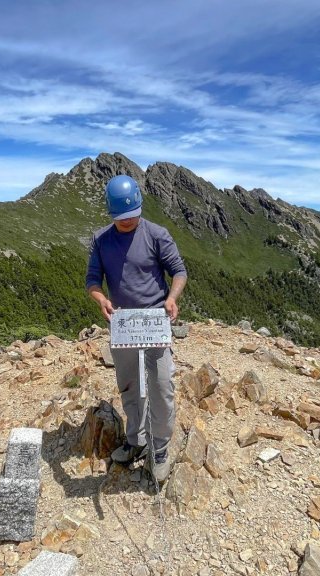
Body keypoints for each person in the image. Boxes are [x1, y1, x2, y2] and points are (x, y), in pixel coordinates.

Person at [85, 175, 187, 482]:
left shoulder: (157, 234)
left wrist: (171, 298)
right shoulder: (101, 239)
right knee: (129, 385)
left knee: (161, 385)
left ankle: (160, 448)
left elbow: (179, 271)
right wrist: (101, 298)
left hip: (155, 321)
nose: (128, 222)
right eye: (121, 218)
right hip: (123, 323)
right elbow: (92, 279)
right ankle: (136, 440)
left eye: (132, 216)